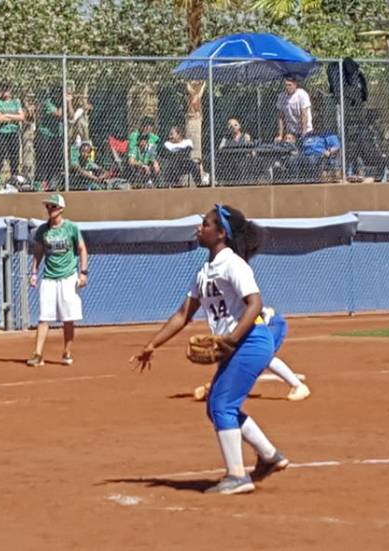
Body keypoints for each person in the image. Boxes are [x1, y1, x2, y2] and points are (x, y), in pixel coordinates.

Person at [130, 204, 289, 495]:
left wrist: (230, 339)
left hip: (251, 340)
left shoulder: (234, 264)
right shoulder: (204, 272)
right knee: (216, 406)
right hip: (237, 345)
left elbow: (254, 304)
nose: (198, 228)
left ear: (221, 233)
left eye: (205, 224)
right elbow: (182, 315)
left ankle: (237, 476)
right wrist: (152, 344)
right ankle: (269, 456)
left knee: (222, 406)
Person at [193, 306, 310, 402]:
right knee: (233, 357)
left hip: (271, 324)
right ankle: (217, 389)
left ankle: (298, 386)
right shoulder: (216, 312)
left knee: (262, 356)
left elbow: (256, 318)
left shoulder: (235, 304)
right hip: (255, 326)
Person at [27, 194, 89, 367]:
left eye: (53, 206)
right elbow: (38, 252)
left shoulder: (71, 228)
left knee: (68, 318)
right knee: (43, 317)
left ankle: (67, 351)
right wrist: (33, 273)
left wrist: (83, 273)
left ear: (61, 209)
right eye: (48, 206)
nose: (50, 209)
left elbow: (82, 249)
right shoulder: (43, 230)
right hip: (49, 278)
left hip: (68, 277)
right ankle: (38, 354)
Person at [0, 82, 26, 186]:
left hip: (13, 133)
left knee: (14, 159)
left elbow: (22, 117)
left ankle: (14, 181)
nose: (5, 91)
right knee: (0, 159)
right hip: (1, 133)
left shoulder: (16, 101)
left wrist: (6, 114)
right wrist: (14, 116)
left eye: (7, 89)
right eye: (3, 89)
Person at [36, 90, 73, 188]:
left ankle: (53, 185)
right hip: (45, 136)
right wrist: (63, 103)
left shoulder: (63, 104)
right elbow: (58, 114)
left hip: (57, 136)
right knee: (44, 160)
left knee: (56, 161)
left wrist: (69, 102)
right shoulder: (48, 102)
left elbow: (71, 116)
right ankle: (42, 184)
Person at [275, 75, 312, 143]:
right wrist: (280, 135)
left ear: (295, 85)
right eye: (286, 85)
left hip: (305, 130)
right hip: (292, 131)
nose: (287, 87)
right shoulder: (282, 96)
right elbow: (280, 116)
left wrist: (304, 133)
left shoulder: (302, 94)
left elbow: (304, 114)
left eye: (290, 85)